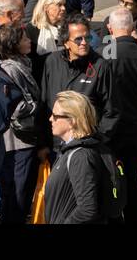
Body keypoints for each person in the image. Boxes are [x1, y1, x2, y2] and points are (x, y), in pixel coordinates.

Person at [94, 7, 137, 225]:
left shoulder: (106, 52)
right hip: (133, 123)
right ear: (132, 28)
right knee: (131, 177)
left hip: (107, 127)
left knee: (109, 177)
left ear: (111, 28)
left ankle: (113, 217)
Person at [0, 24, 43, 224]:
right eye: (24, 39)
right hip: (18, 140)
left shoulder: (19, 64)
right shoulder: (10, 69)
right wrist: (36, 105)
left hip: (20, 139)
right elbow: (14, 106)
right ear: (14, 45)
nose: (29, 41)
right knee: (18, 192)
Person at [43, 92, 116, 224]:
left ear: (72, 121)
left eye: (55, 116)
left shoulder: (80, 157)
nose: (50, 119)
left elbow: (87, 209)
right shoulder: (68, 149)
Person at [40, 13, 106, 115]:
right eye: (78, 39)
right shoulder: (52, 61)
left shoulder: (100, 65)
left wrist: (98, 131)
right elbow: (45, 99)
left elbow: (110, 109)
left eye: (87, 38)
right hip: (56, 128)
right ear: (66, 42)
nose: (84, 42)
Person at [26, 0, 68, 84]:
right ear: (46, 8)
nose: (63, 8)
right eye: (59, 5)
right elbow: (30, 62)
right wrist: (57, 56)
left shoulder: (66, 27)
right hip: (43, 79)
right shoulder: (32, 29)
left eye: (64, 4)